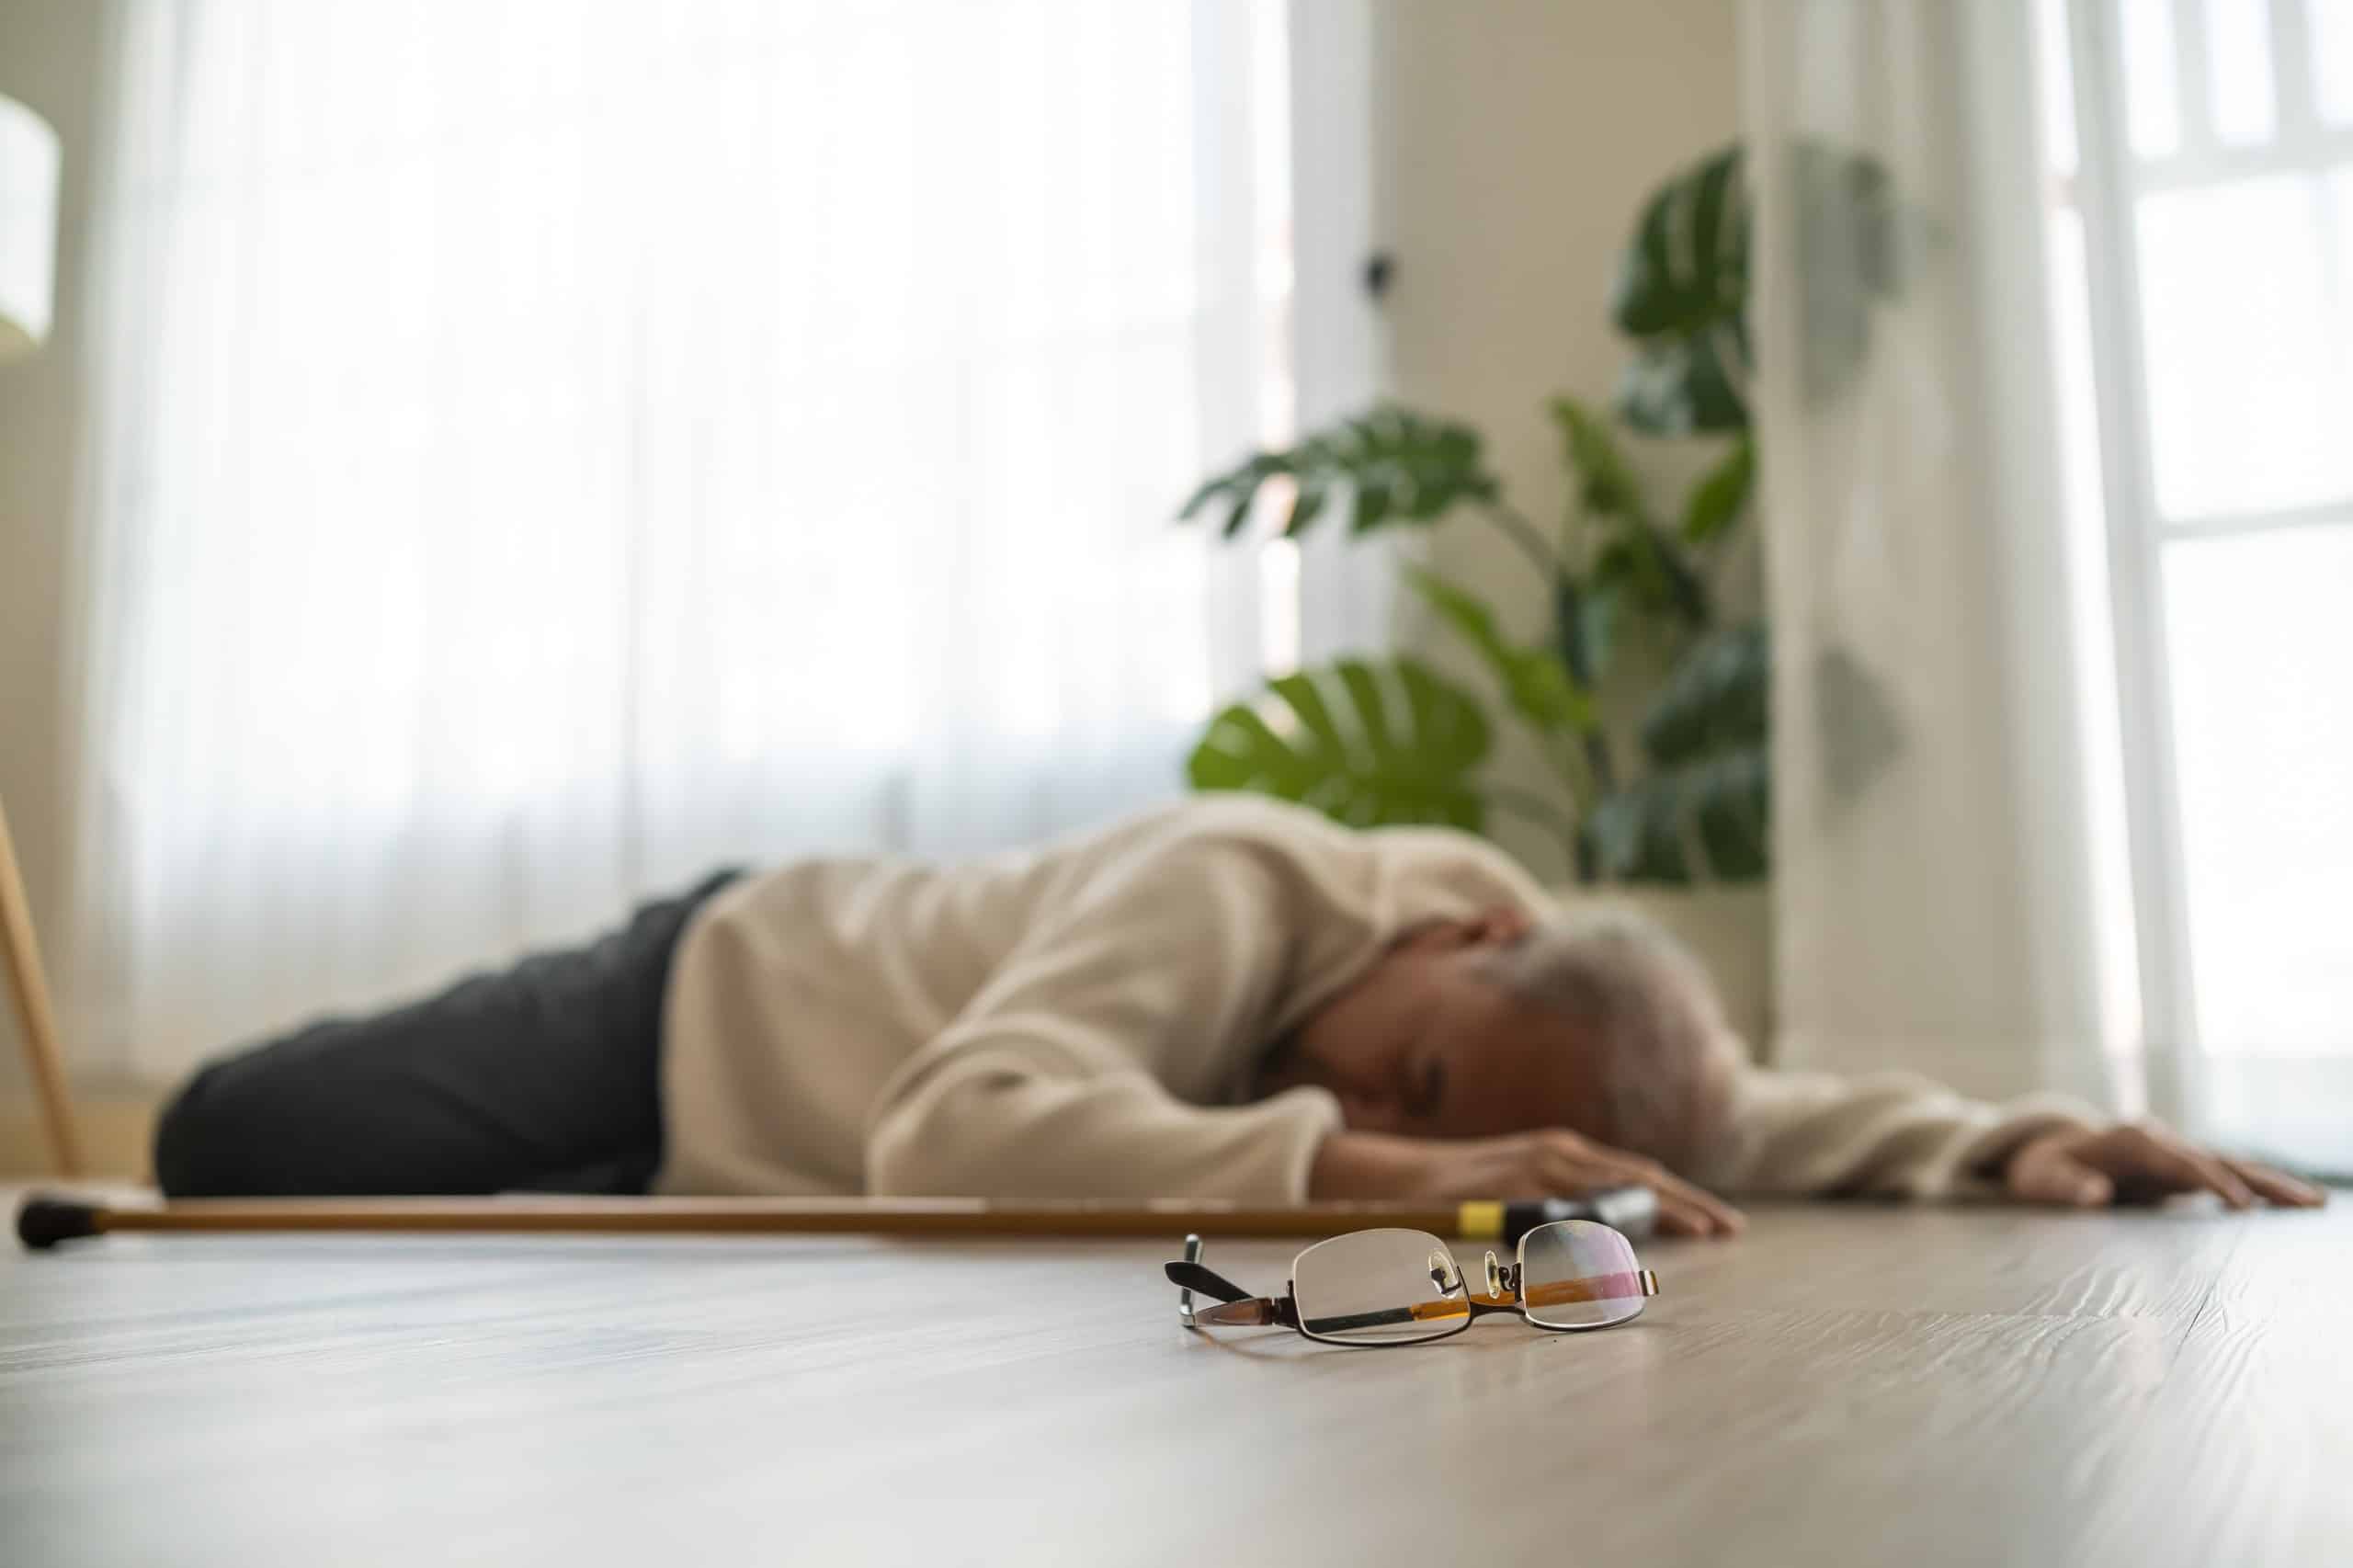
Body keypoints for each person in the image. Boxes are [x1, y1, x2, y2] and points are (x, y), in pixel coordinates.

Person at [152, 795, 2323, 1234]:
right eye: (1419, 1074)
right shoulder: (1244, 879)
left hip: (731, 1157)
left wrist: (2005, 1138)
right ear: (1461, 923)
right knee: (224, 1149)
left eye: (1394, 1107)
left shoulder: (1510, 1007)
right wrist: (1392, 1163)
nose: (1344, 1092)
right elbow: (955, 1128)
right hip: (698, 1001)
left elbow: (1728, 1117)